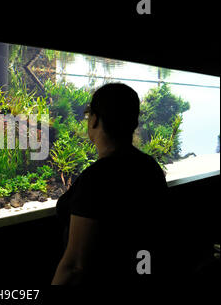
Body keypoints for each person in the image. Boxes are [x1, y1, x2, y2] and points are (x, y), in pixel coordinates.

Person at [51, 83, 171, 291]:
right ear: (133, 122)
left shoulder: (96, 179)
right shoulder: (149, 167)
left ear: (95, 119)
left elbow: (76, 267)